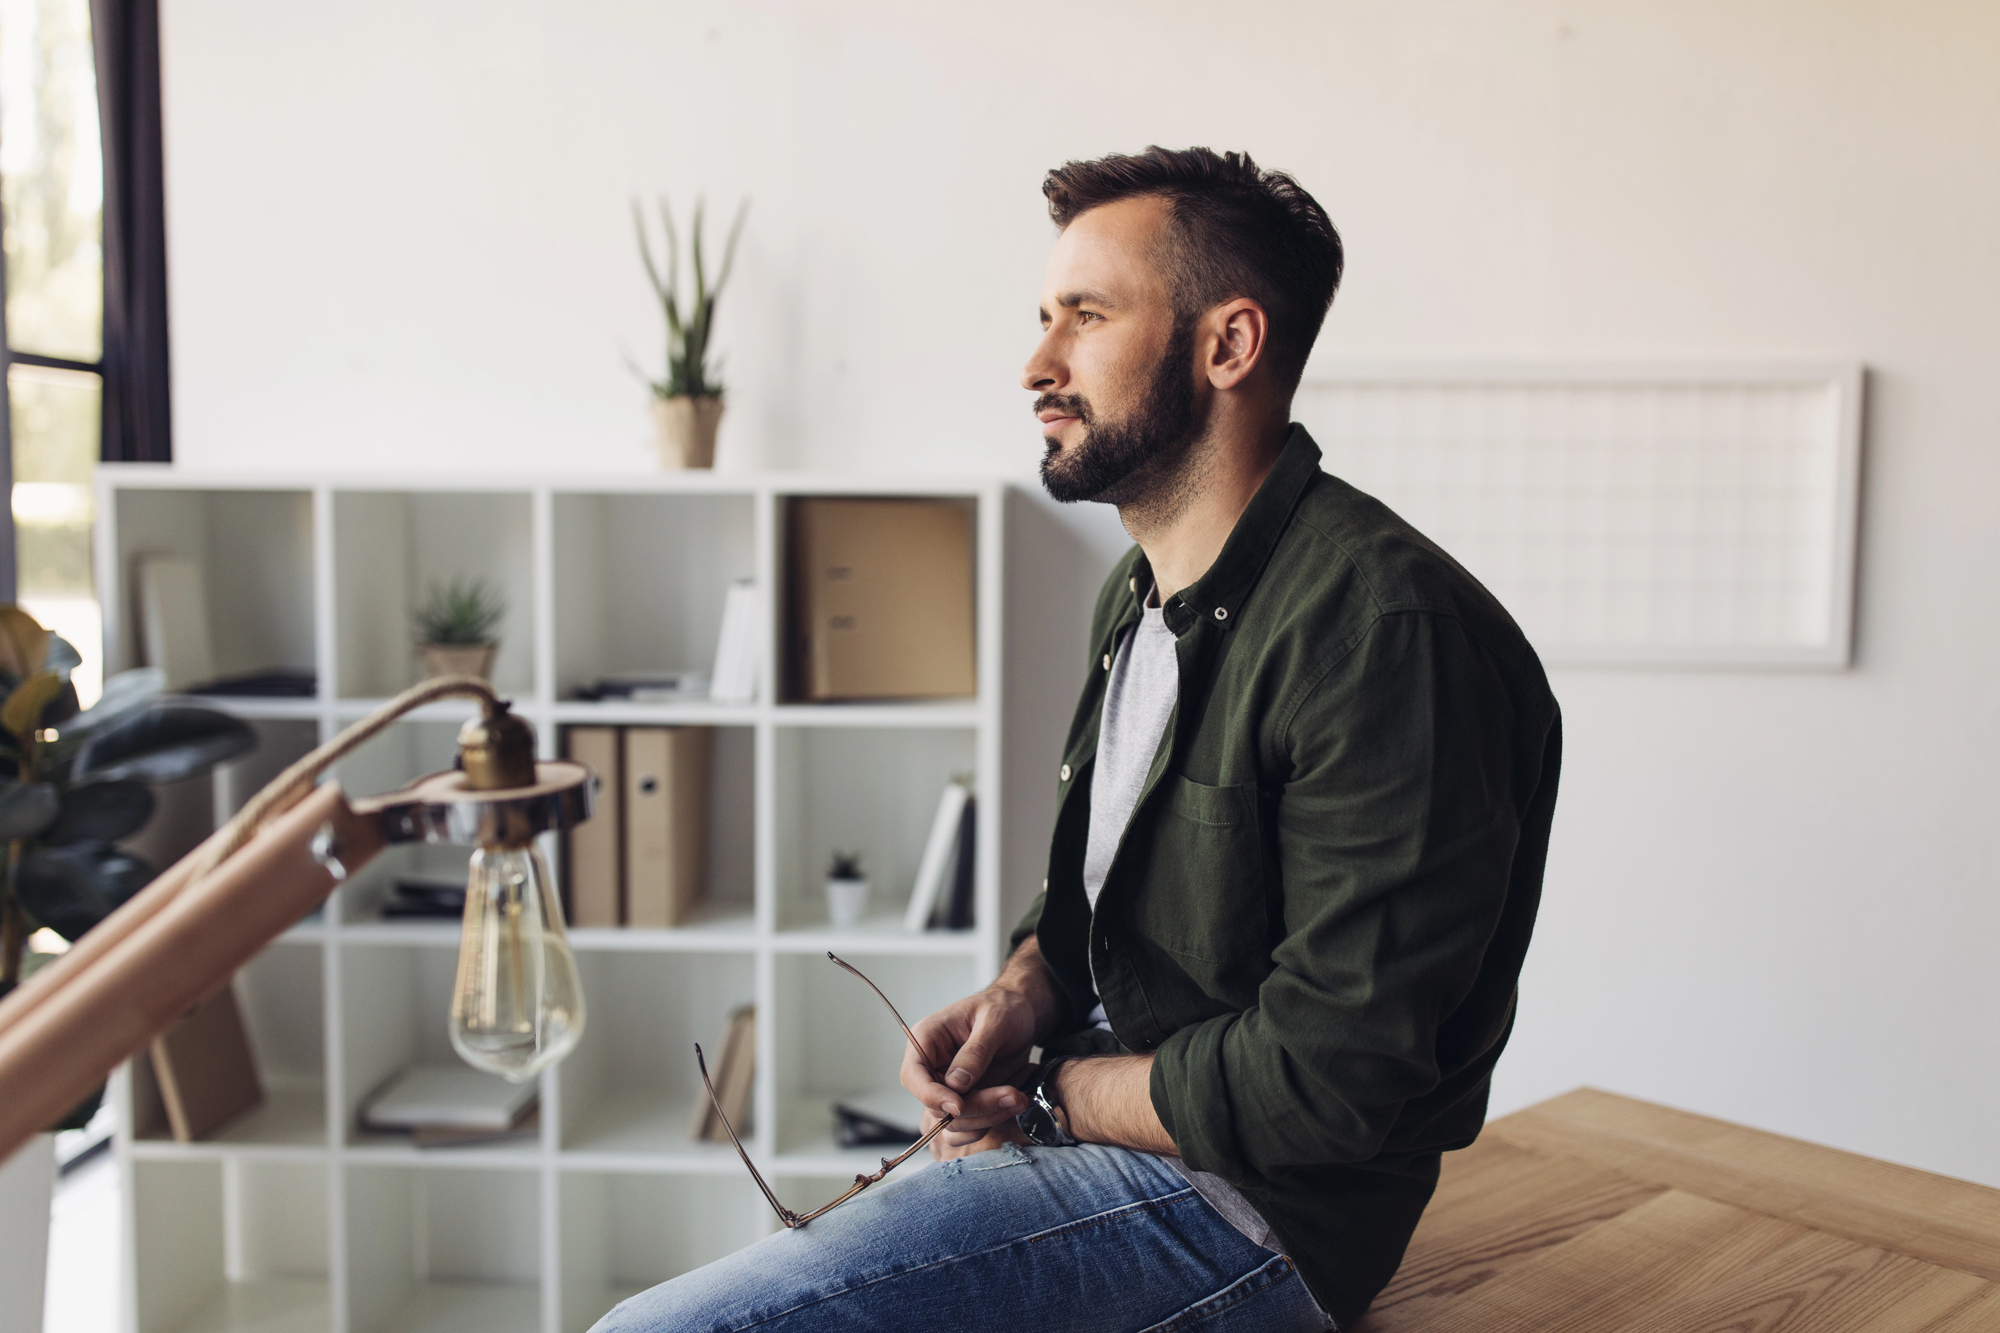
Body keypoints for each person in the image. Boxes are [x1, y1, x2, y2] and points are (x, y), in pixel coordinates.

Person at [596, 146, 1561, 1333]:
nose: (1035, 366)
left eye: (1085, 317)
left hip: (1254, 1216)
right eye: (1042, 317)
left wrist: (1050, 1090)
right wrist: (1021, 993)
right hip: (1108, 1144)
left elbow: (1327, 1085)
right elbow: (1101, 901)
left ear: (1227, 345)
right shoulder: (1136, 595)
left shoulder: (1384, 633)